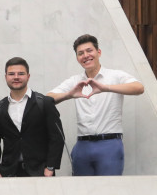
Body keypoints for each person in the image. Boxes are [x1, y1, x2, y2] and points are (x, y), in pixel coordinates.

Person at [47, 34, 144, 176]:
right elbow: (47, 99)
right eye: (80, 53)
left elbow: (139, 88)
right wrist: (69, 95)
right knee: (82, 192)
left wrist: (106, 88)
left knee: (110, 190)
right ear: (77, 58)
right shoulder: (75, 81)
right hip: (82, 145)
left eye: (89, 51)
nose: (85, 56)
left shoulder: (114, 75)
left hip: (110, 144)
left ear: (98, 52)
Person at [0, 57, 65, 177]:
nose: (16, 77)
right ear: (6, 77)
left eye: (21, 73)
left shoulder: (45, 103)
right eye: (11, 74)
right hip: (9, 173)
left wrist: (50, 167)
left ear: (28, 76)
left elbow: (57, 138)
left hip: (41, 172)